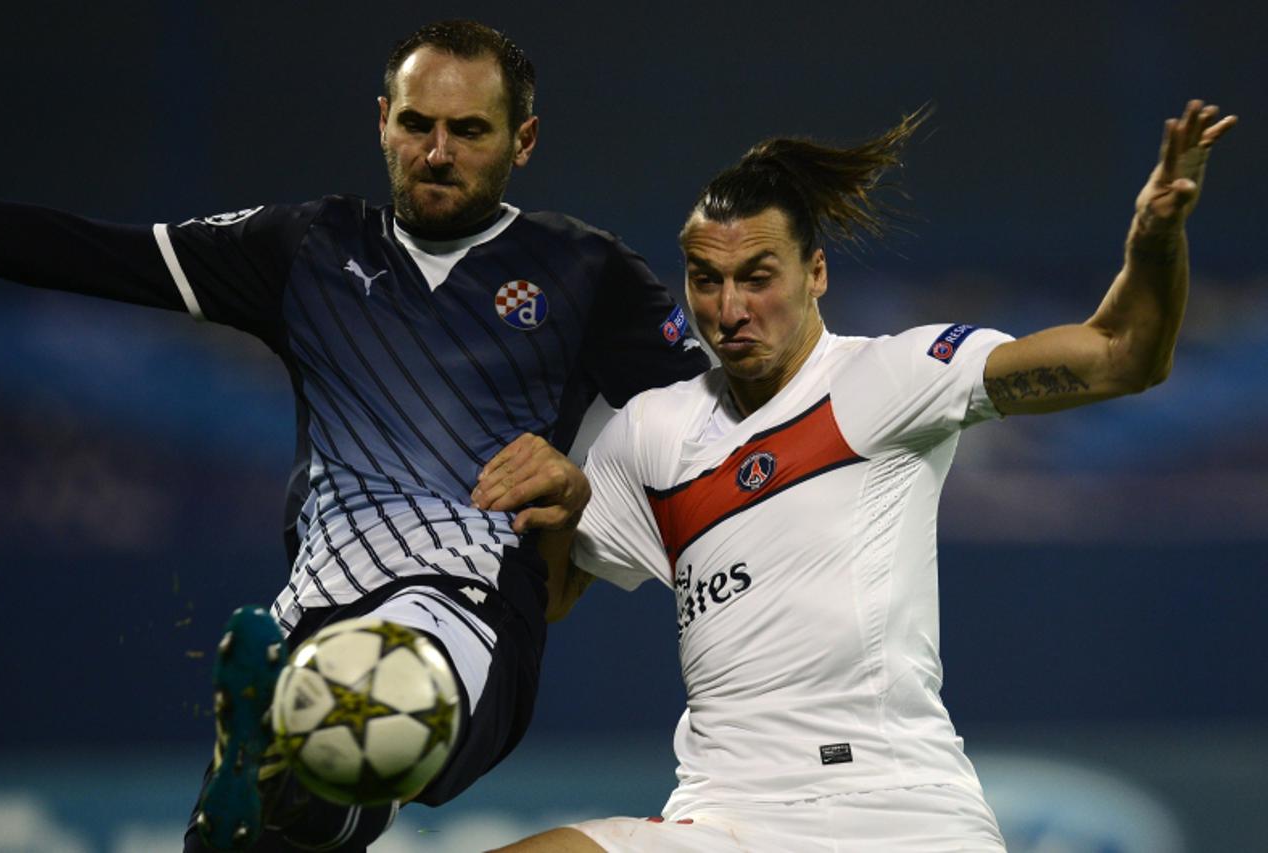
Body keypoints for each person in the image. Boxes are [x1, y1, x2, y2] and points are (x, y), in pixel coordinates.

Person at [0, 19, 709, 852]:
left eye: (469, 131)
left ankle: (303, 767)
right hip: (311, 614)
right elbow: (97, 255)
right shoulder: (308, 248)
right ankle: (293, 776)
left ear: (524, 140)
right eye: (416, 125)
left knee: (386, 707)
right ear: (382, 121)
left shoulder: (584, 271)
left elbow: (705, 429)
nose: (437, 152)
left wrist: (587, 479)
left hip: (464, 600)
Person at [473, 99, 1237, 851]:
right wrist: (564, 506)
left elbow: (1123, 354)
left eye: (757, 276)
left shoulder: (893, 376)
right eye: (706, 279)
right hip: (727, 816)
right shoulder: (652, 430)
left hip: (900, 807)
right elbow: (555, 597)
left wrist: (1156, 236)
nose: (730, 308)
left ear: (816, 272)